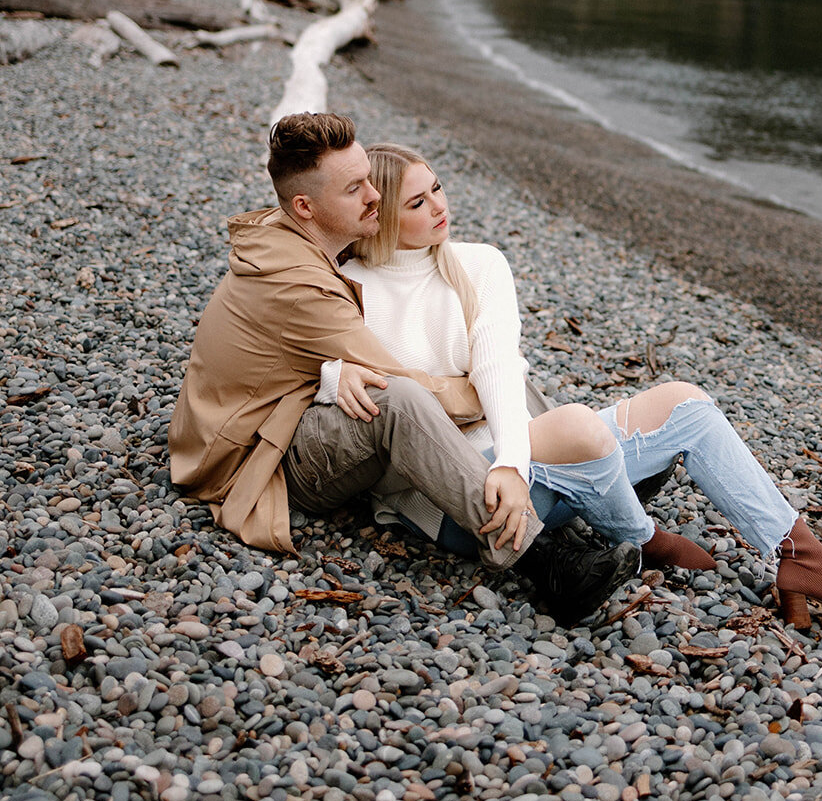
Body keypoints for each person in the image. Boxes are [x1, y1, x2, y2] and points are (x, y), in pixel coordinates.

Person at [320, 142, 822, 628]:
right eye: (418, 203)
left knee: (686, 402)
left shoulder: (478, 264)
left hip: (521, 461)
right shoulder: (350, 287)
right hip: (459, 502)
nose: (440, 208)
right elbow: (326, 390)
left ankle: (799, 561)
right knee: (576, 425)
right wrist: (334, 373)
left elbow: (499, 370)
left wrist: (491, 434)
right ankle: (645, 537)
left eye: (439, 188)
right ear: (381, 216)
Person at [168, 113, 640, 627]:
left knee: (490, 378)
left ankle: (573, 488)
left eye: (370, 177)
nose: (375, 196)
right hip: (258, 457)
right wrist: (485, 384)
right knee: (402, 399)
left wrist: (340, 370)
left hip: (270, 415)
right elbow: (410, 387)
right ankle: (547, 562)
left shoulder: (292, 234)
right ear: (305, 206)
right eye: (355, 189)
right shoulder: (301, 286)